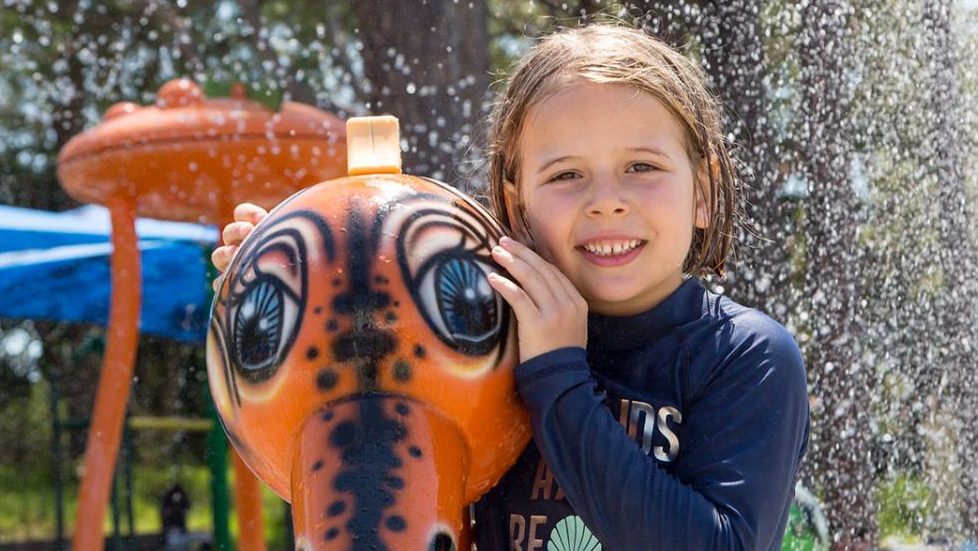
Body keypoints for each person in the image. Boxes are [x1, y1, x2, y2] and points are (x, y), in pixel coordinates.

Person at [211, 23, 809, 551]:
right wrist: (290, 281)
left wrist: (558, 375)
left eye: (642, 167)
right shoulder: (481, 330)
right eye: (566, 175)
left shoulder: (746, 355)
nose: (606, 202)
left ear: (702, 193)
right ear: (513, 202)